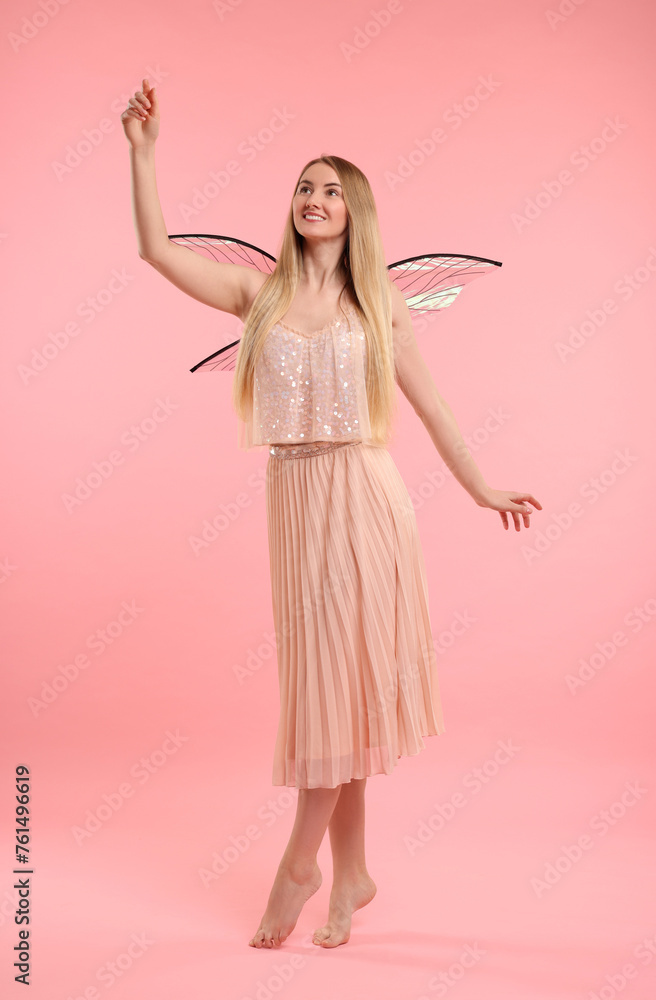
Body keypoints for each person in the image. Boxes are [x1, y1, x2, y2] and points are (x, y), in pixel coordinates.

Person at [122, 78, 542, 951]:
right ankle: (351, 872)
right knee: (331, 694)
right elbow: (156, 251)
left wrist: (480, 487)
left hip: (366, 497)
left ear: (355, 214)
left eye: (331, 191)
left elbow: (430, 407)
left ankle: (300, 866)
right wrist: (144, 154)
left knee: (335, 696)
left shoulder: (378, 301)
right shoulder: (259, 297)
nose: (314, 200)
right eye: (304, 187)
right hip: (295, 497)